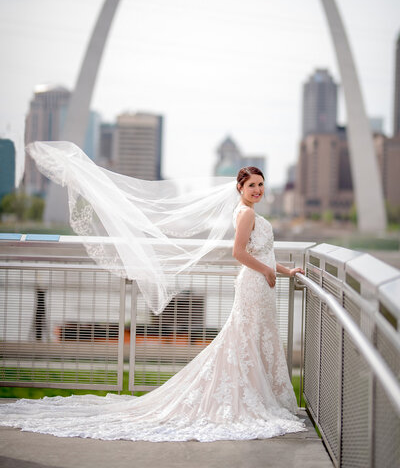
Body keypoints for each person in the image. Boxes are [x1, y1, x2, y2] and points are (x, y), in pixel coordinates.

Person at [0, 156, 305, 442]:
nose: (258, 190)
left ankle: (253, 395)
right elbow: (239, 254)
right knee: (243, 341)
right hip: (254, 285)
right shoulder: (246, 214)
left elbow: (261, 253)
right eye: (252, 185)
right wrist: (266, 270)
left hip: (262, 283)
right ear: (240, 188)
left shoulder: (250, 214)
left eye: (261, 184)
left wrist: (285, 269)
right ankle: (244, 399)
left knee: (251, 341)